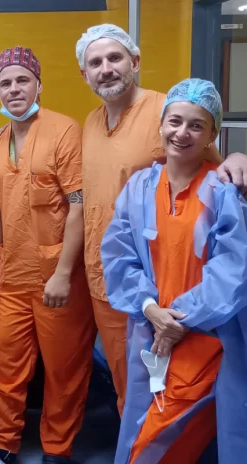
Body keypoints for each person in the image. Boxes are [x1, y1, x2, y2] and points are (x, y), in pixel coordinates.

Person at [75, 24, 247, 415]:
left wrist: (239, 157)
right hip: (115, 278)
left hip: (170, 286)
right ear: (85, 74)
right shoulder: (91, 123)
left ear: (134, 61)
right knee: (131, 385)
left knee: (175, 394)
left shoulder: (165, 109)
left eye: (115, 58)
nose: (106, 68)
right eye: (95, 62)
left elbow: (214, 170)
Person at [101, 78, 247, 463]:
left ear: (212, 134)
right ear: (161, 125)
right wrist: (151, 309)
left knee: (154, 445)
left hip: (207, 338)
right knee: (140, 424)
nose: (182, 133)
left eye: (196, 125)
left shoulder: (222, 191)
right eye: (175, 121)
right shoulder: (138, 187)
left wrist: (178, 319)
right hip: (150, 333)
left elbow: (232, 271)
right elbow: (118, 256)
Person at [0, 47, 95, 464]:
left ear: (39, 84)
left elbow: (79, 206)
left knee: (64, 369)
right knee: (5, 365)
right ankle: (2, 443)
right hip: (13, 279)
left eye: (22, 80)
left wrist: (63, 273)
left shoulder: (63, 131)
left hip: (59, 279)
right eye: (5, 83)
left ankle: (58, 447)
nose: (14, 89)